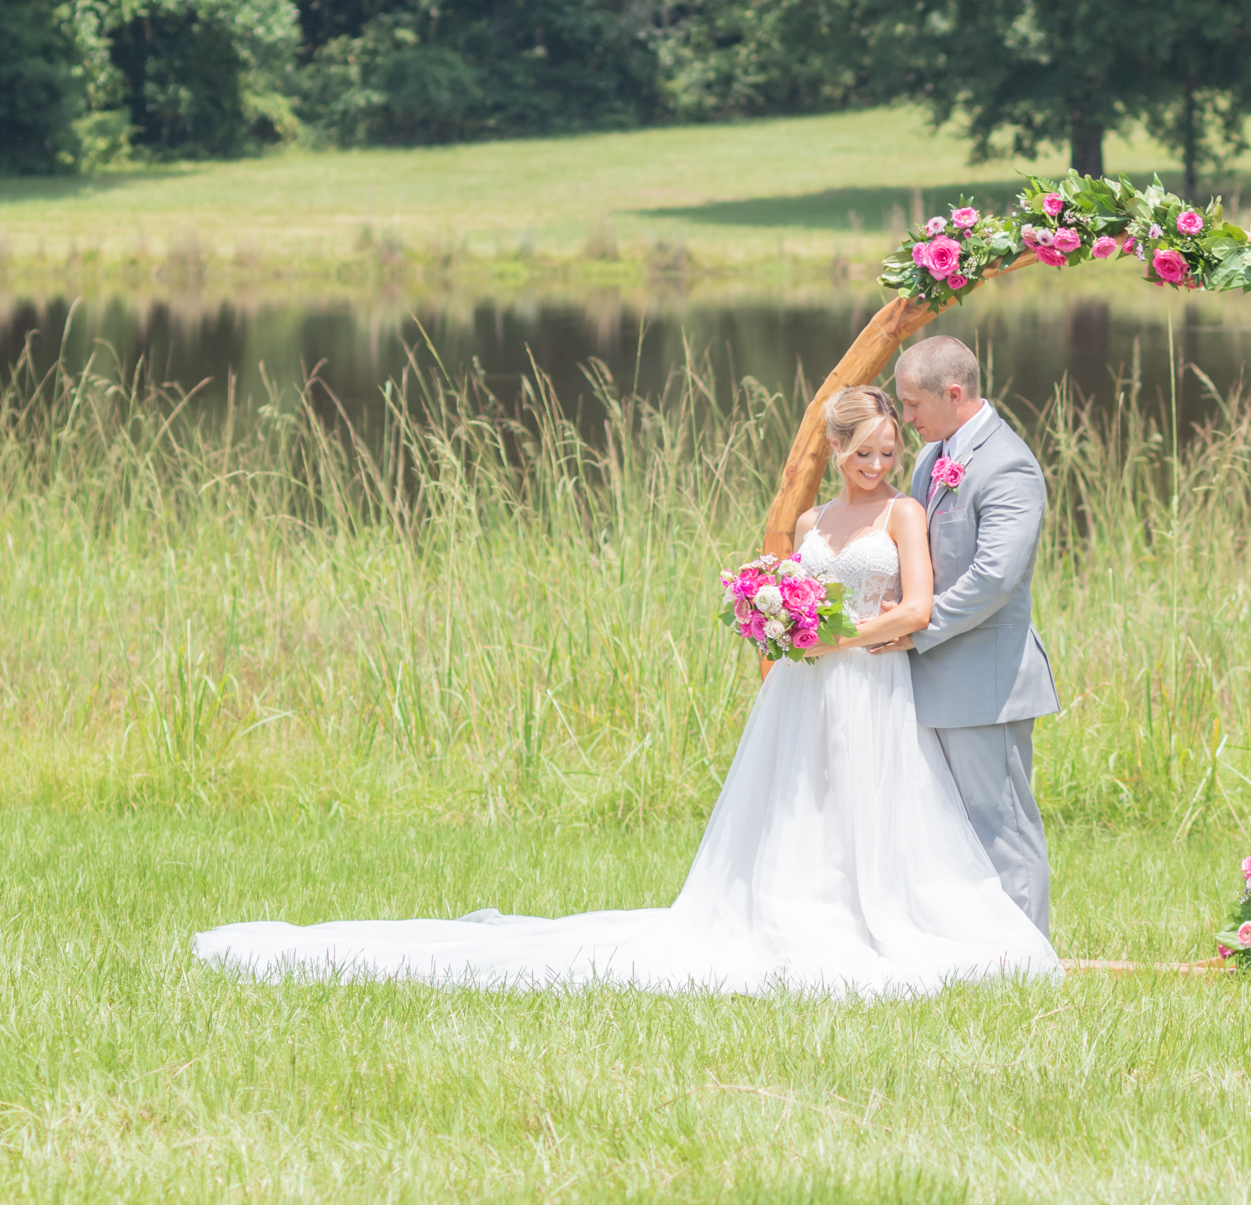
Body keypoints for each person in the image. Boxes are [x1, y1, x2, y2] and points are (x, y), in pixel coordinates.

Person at [193, 384, 1060, 998]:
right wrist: (779, 619)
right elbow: (800, 590)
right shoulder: (810, 523)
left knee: (875, 809)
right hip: (806, 694)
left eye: (888, 451)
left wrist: (841, 637)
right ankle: (795, 908)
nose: (879, 464)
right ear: (835, 451)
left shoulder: (903, 514)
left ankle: (880, 919)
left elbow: (912, 606)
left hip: (872, 686)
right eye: (865, 453)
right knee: (797, 807)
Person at [882, 337, 1059, 934]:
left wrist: (915, 628)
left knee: (999, 824)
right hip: (931, 676)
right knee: (949, 826)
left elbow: (994, 579)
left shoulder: (1007, 463)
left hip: (987, 681)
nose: (905, 418)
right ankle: (974, 947)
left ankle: (1025, 958)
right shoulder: (933, 457)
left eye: (912, 404)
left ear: (953, 394)